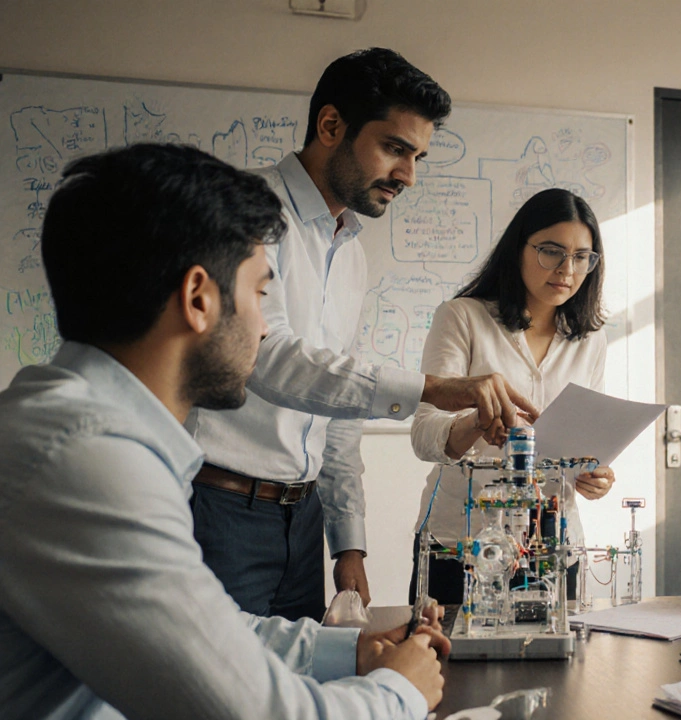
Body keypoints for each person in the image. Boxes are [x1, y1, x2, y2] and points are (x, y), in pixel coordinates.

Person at [0, 143, 450, 718]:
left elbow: (200, 629)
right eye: (261, 294)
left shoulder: (85, 429)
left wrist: (350, 651)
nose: (265, 326)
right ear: (197, 299)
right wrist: (402, 690)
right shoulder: (84, 460)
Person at [186, 48, 536, 622]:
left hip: (303, 522)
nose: (409, 175)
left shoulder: (349, 252)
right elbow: (261, 357)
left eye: (418, 156)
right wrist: (430, 388)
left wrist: (348, 542)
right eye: (395, 149)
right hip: (219, 507)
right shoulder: (242, 211)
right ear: (331, 126)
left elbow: (336, 412)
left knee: (297, 695)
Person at [409, 187, 615, 602]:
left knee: (555, 665)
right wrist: (476, 422)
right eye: (551, 251)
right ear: (517, 248)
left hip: (551, 546)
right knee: (447, 664)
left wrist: (594, 476)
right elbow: (424, 436)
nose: (567, 269)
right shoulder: (463, 318)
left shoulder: (590, 341)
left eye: (581, 257)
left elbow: (582, 443)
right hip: (462, 543)